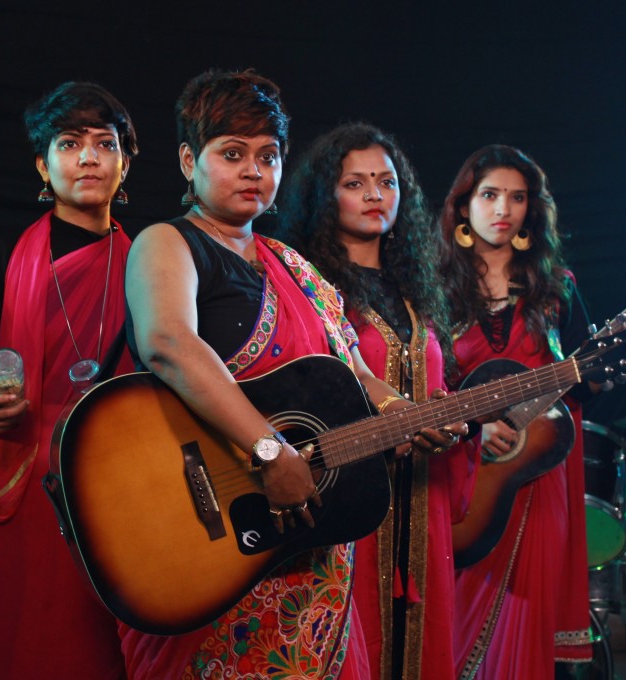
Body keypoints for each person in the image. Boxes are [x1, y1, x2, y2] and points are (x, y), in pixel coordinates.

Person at [122, 70, 463, 680]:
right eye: (232, 154)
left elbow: (351, 371)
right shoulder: (168, 244)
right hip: (207, 526)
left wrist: (403, 413)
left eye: (268, 156)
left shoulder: (293, 266)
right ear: (186, 160)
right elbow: (168, 343)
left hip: (302, 538)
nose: (254, 170)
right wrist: (267, 448)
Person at [441, 144, 626, 679]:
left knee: (527, 614)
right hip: (458, 470)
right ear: (463, 206)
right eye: (490, 195)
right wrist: (473, 425)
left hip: (541, 472)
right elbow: (419, 384)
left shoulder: (555, 287)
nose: (504, 209)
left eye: (517, 198)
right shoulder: (432, 287)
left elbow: (584, 384)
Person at [0, 81, 137, 679]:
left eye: (104, 144)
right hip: (19, 477)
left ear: (124, 162)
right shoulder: (0, 263)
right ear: (42, 163)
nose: (88, 158)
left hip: (123, 480)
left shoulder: (153, 265)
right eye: (69, 143)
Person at [277, 122, 471, 680]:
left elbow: (434, 386)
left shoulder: (417, 287)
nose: (373, 195)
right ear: (324, 193)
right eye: (355, 183)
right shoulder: (307, 283)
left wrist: (459, 422)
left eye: (386, 182)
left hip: (422, 502)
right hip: (347, 497)